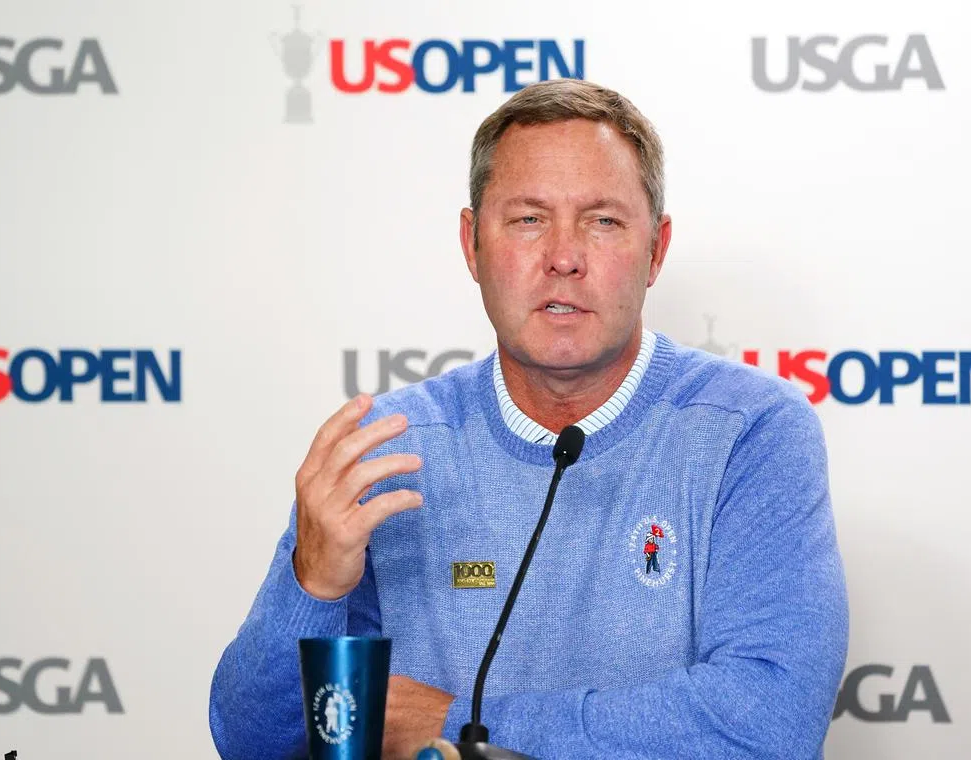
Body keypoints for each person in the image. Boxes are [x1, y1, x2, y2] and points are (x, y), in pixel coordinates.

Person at [209, 78, 848, 759]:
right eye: (528, 219)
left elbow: (768, 725)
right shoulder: (388, 449)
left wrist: (458, 724)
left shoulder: (748, 431)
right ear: (471, 245)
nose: (564, 257)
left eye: (602, 220)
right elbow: (255, 742)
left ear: (656, 250)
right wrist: (313, 586)